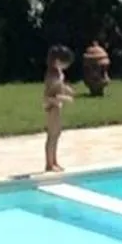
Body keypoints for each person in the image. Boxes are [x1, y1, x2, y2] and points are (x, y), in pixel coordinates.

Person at [43, 44, 73, 172]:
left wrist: (66, 89)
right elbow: (47, 97)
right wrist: (64, 98)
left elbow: (60, 85)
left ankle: (54, 161)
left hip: (57, 106)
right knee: (52, 135)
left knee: (56, 134)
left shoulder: (58, 73)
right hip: (52, 106)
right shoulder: (51, 77)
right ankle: (49, 164)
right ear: (57, 61)